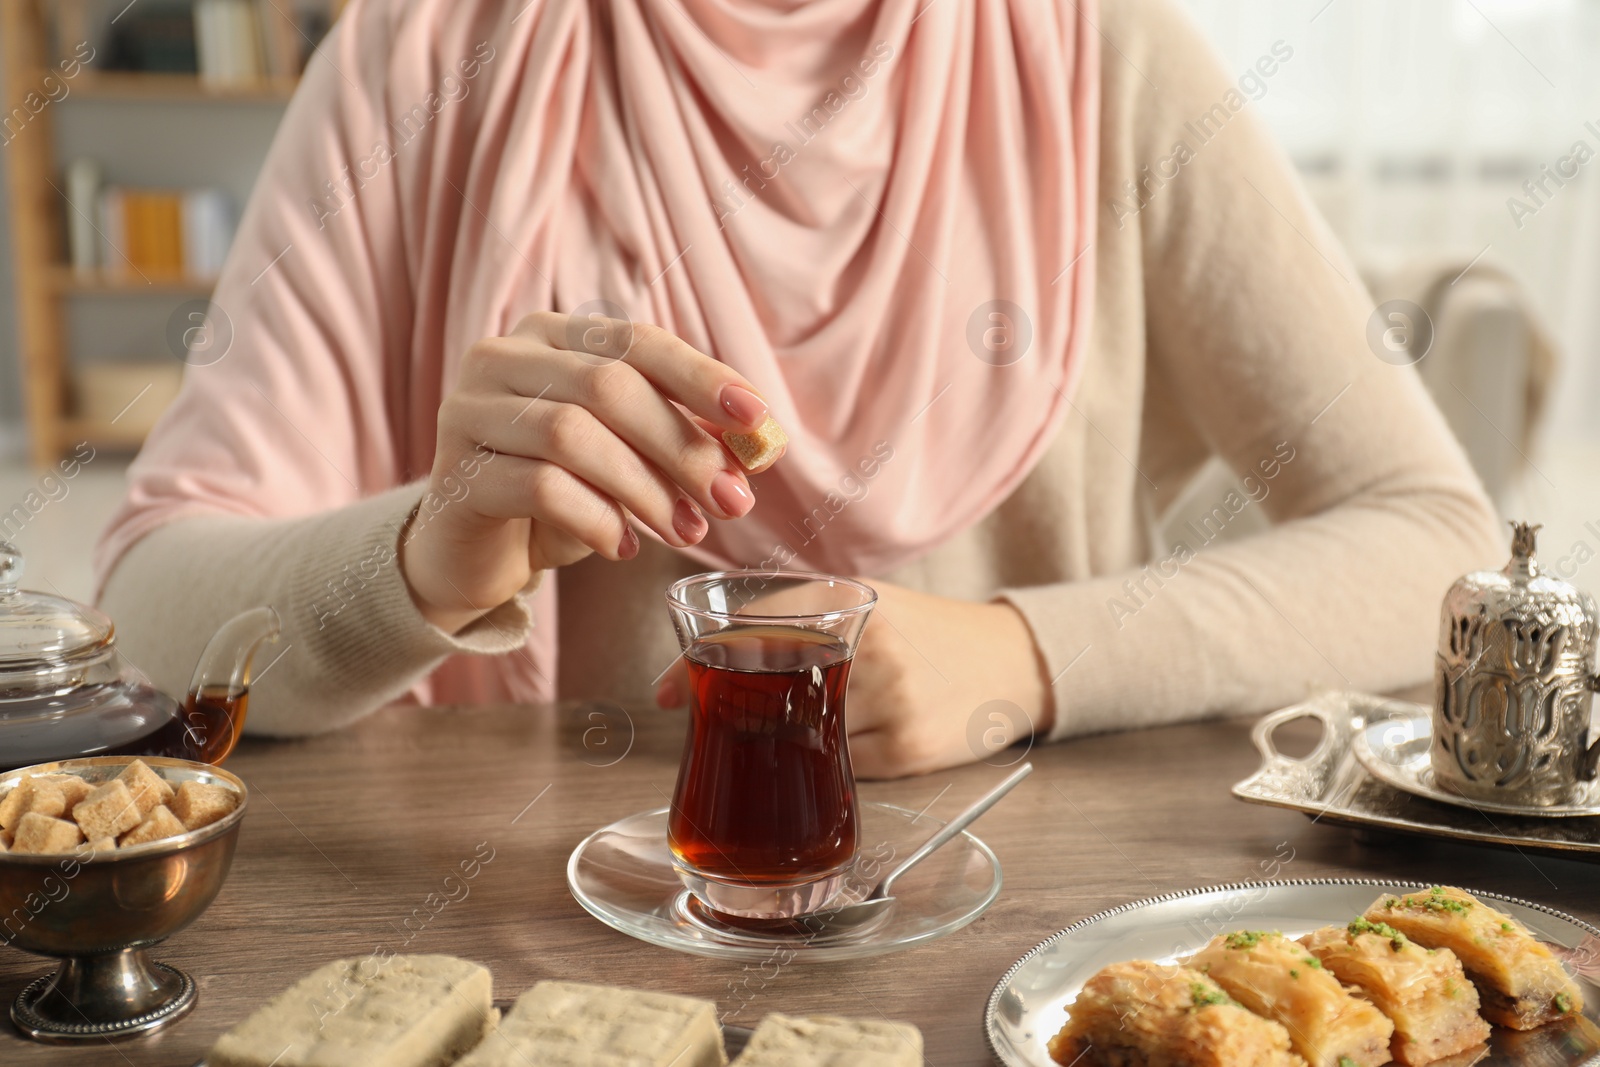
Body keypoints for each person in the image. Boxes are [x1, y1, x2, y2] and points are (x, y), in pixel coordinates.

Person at [95, 0, 1502, 779]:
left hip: (1013, 933)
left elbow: (1435, 541)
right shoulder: (416, 56)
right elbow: (154, 612)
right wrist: (419, 554)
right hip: (510, 942)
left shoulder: (1105, 56)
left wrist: (1024, 656)